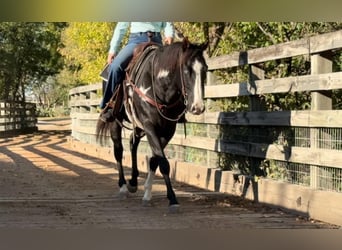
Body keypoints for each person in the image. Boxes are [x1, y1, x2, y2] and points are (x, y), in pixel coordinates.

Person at [100, 22, 175, 122]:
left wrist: (169, 35)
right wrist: (113, 50)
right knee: (115, 67)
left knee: (175, 67)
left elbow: (168, 22)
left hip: (157, 40)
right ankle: (109, 105)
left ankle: (177, 107)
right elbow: (121, 27)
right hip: (136, 41)